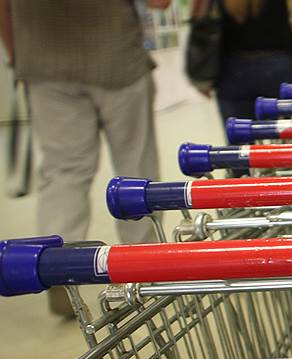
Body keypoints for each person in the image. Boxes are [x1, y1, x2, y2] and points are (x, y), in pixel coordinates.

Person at [0, 0, 170, 316]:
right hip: (115, 58)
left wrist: (16, 54)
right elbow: (160, 3)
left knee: (64, 171)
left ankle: (58, 272)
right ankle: (142, 268)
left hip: (44, 64)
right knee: (135, 166)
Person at [203, 0, 292, 123]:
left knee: (238, 131)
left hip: (232, 70)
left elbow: (200, 20)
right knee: (285, 130)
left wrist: (201, 75)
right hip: (280, 67)